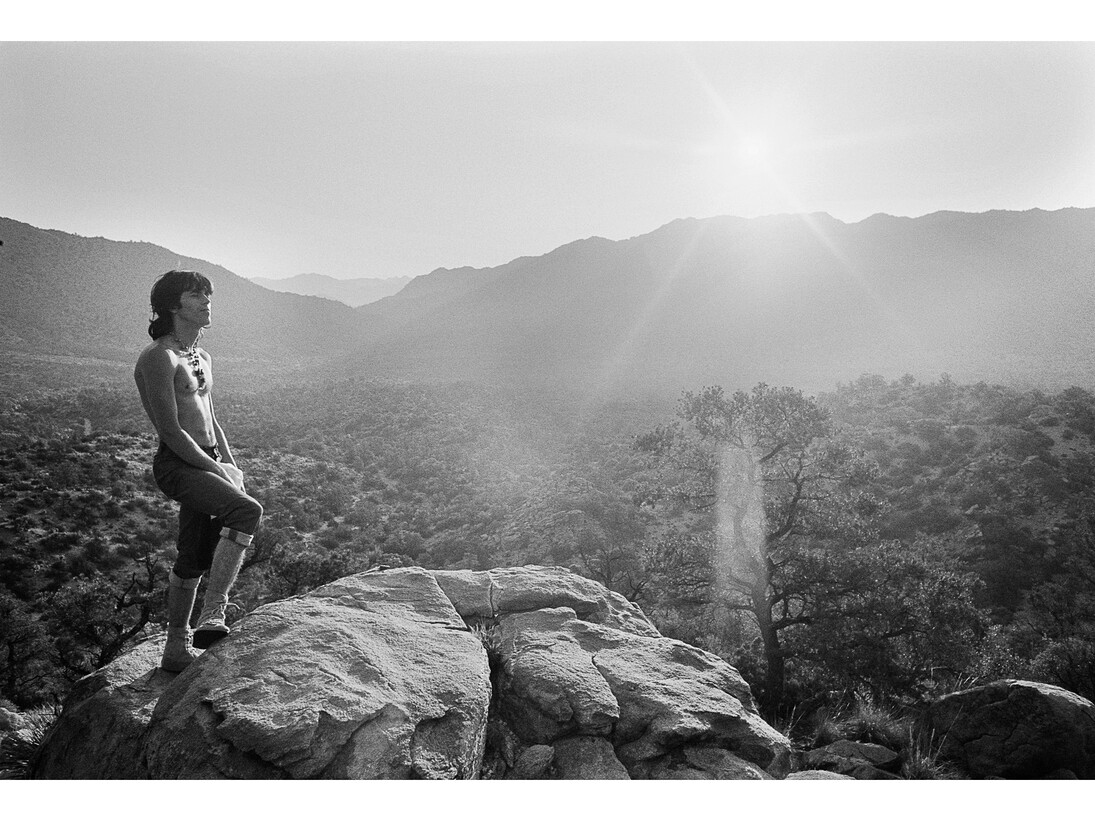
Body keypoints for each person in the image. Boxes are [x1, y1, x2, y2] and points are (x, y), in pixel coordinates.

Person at [134, 270, 263, 672]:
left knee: (192, 557)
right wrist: (215, 470)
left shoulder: (202, 356)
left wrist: (231, 465)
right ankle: (213, 615)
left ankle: (175, 650)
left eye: (207, 295)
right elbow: (170, 430)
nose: (206, 302)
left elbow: (212, 419)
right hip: (178, 463)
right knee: (246, 511)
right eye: (195, 296)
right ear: (173, 306)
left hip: (207, 460)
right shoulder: (158, 357)